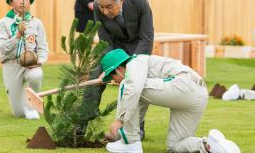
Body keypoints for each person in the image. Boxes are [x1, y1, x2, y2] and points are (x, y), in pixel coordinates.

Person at [101, 49, 240, 153]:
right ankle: (210, 145)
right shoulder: (139, 73)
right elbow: (139, 105)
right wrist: (119, 134)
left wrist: (120, 120)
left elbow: (134, 90)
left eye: (112, 77)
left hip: (183, 86)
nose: (114, 81)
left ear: (118, 68)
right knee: (175, 146)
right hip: (198, 94)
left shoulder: (135, 61)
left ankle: (129, 144)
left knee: (128, 86)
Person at [79, 0, 154, 139]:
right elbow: (105, 39)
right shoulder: (99, 6)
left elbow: (146, 38)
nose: (105, 11)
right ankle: (80, 127)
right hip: (114, 46)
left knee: (135, 82)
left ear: (122, 0)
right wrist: (109, 67)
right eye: (102, 7)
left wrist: (134, 64)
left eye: (109, 7)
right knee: (95, 73)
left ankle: (136, 129)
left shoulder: (139, 0)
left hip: (138, 45)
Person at [0, 0, 49, 119]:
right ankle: (21, 106)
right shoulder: (2, 23)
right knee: (18, 113)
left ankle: (32, 107)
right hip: (11, 64)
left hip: (30, 64)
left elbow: (43, 47)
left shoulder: (36, 23)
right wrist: (18, 36)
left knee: (36, 75)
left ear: (30, 2)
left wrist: (40, 61)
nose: (22, 1)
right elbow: (3, 49)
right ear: (11, 2)